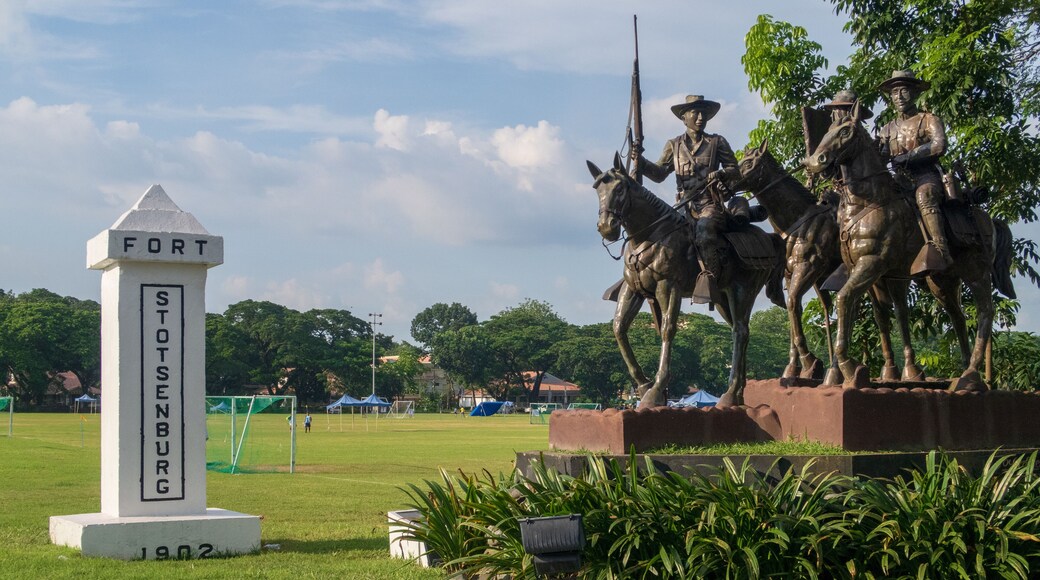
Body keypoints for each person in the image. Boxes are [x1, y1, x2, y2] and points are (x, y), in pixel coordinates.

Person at [633, 95, 742, 301]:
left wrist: (721, 173)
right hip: (683, 205)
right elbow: (659, 174)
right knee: (658, 233)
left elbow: (735, 171)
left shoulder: (717, 142)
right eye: (696, 113)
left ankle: (709, 278)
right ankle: (643, 276)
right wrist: (641, 161)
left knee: (704, 230)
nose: (701, 118)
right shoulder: (673, 145)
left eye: (704, 114)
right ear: (684, 118)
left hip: (710, 204)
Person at [876, 70, 951, 269]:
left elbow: (939, 145)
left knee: (924, 196)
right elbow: (880, 158)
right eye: (894, 92)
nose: (899, 96)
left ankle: (940, 249)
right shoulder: (887, 129)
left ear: (915, 93)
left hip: (925, 175)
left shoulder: (929, 119)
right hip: (898, 180)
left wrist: (908, 156)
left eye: (904, 91)